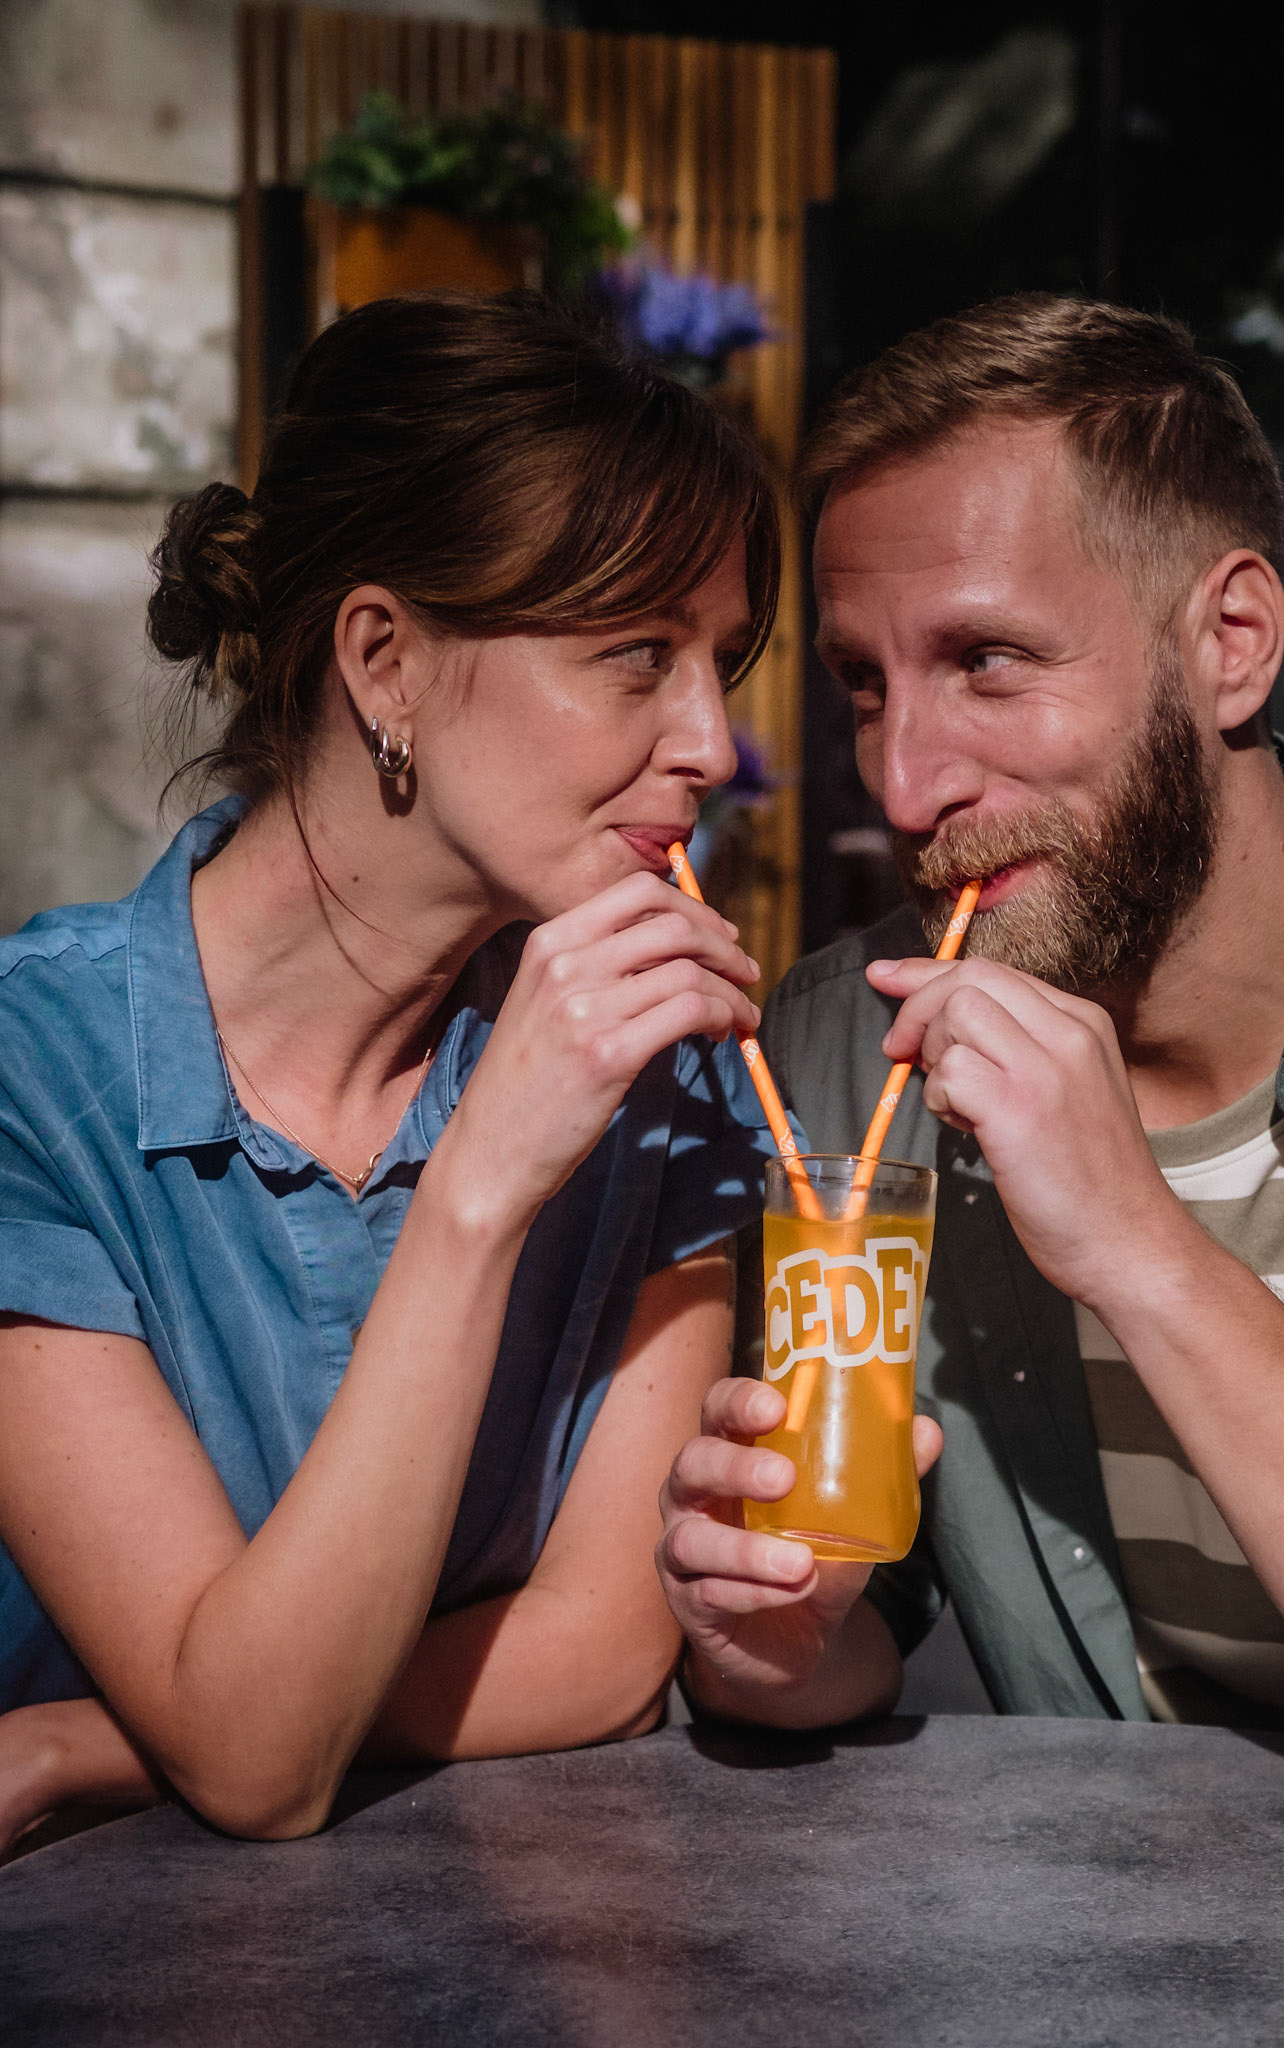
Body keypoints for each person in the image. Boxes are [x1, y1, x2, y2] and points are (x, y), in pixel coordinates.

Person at [656, 294, 1284, 1825]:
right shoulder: (844, 1044)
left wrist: (1137, 1245)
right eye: (864, 683)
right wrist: (765, 1640)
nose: (903, 784)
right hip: (1102, 1907)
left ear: (1231, 643)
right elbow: (853, 1619)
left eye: (988, 660)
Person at [0, 291, 782, 1855]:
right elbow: (261, 1771)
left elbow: (606, 1651)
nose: (711, 741)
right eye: (636, 654)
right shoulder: (40, 1074)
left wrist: (107, 1736)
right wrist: (483, 1187)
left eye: (723, 661)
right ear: (386, 661)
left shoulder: (660, 1067)